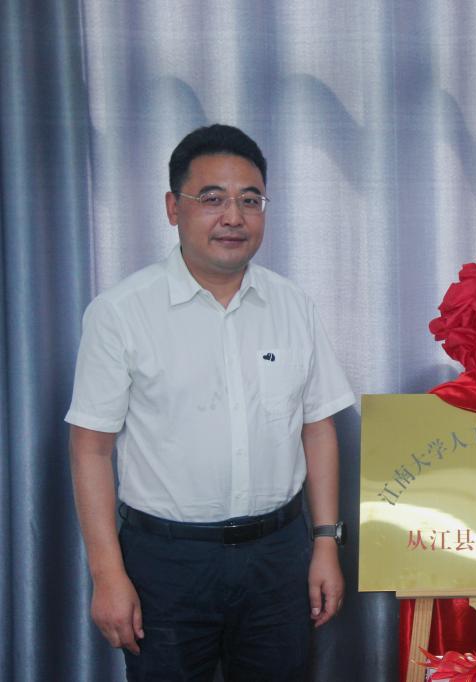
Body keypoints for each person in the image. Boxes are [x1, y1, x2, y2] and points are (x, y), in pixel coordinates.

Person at [65, 124, 354, 680]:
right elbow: (90, 450)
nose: (234, 217)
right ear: (174, 208)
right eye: (213, 198)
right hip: (165, 563)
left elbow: (317, 427)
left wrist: (325, 543)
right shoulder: (121, 312)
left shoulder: (293, 305)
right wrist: (107, 575)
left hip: (278, 556)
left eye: (251, 200)